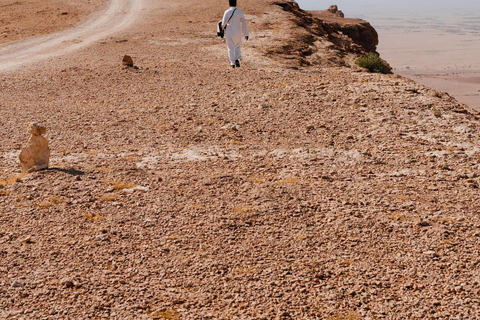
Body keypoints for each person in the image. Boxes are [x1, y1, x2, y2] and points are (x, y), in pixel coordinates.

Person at [221, 0, 249, 68]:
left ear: (229, 4)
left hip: (229, 31)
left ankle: (232, 63)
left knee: (230, 47)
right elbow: (244, 23)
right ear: (236, 3)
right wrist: (246, 34)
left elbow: (223, 23)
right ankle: (237, 58)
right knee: (238, 46)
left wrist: (221, 29)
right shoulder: (240, 12)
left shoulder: (226, 12)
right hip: (238, 32)